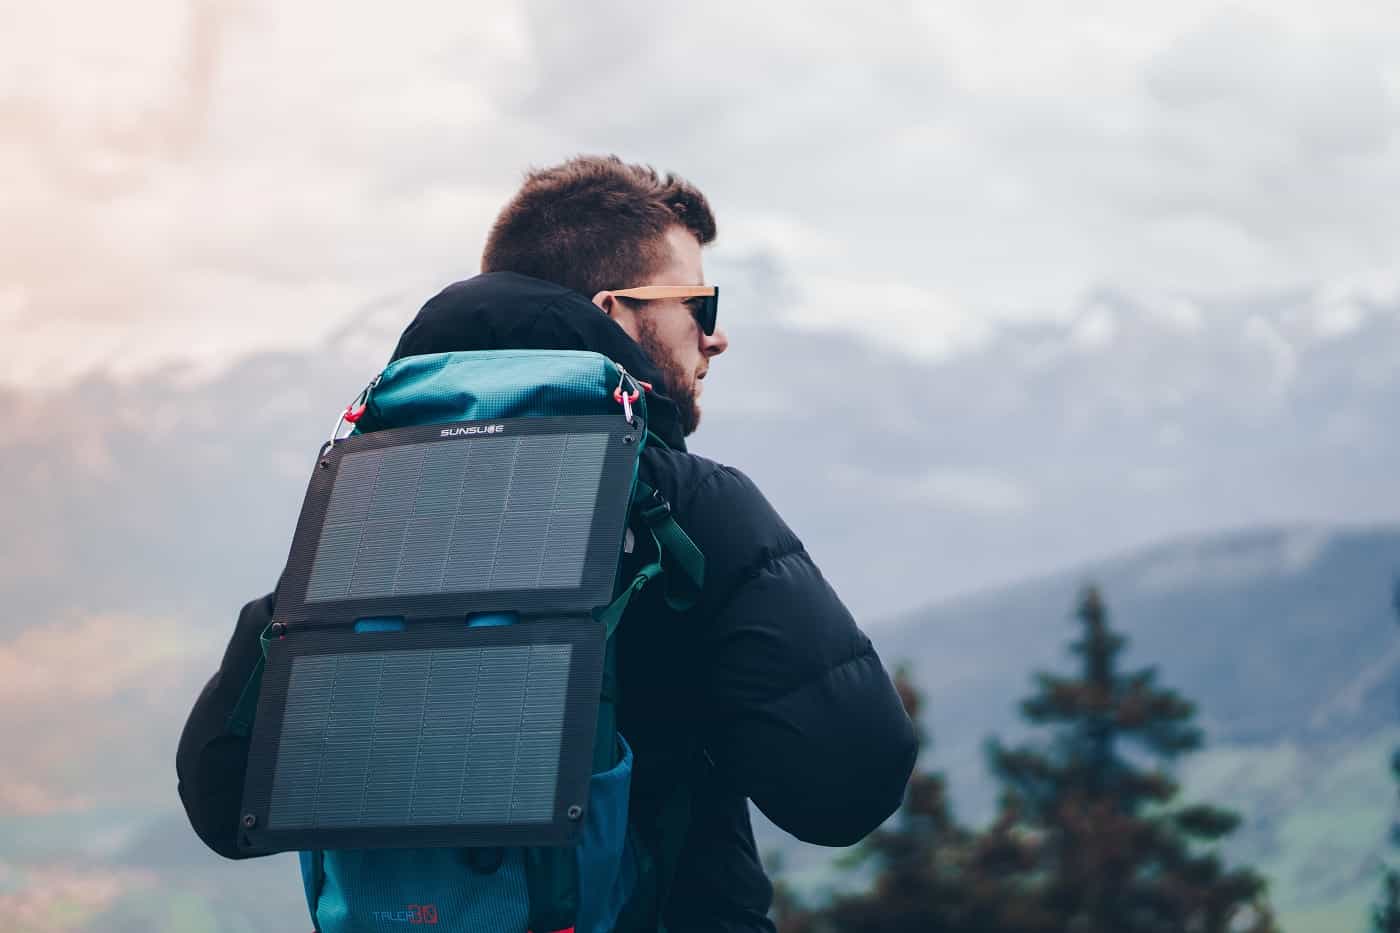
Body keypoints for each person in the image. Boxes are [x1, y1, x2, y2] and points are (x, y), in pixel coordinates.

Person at [177, 155, 917, 932]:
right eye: (698, 301)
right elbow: (849, 784)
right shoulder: (691, 507)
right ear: (616, 312)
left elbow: (223, 799)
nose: (716, 336)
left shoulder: (370, 496)